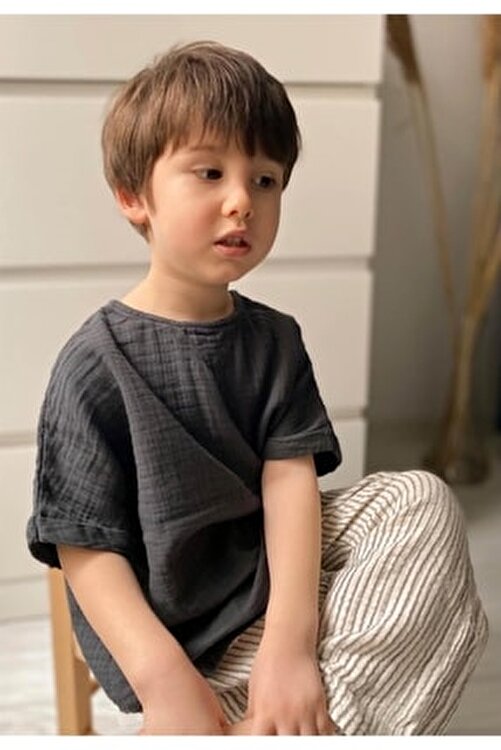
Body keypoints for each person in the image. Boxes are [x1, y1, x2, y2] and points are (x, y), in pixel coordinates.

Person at [27, 41, 488, 736]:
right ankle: (289, 720)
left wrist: (288, 646)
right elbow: (85, 548)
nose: (242, 201)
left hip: (274, 586)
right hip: (173, 630)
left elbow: (288, 482)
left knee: (418, 500)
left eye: (265, 180)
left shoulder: (274, 340)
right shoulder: (93, 365)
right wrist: (164, 682)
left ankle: (281, 715)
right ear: (133, 197)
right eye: (209, 173)